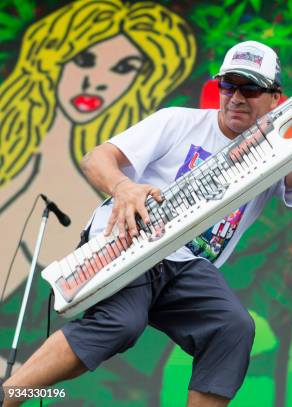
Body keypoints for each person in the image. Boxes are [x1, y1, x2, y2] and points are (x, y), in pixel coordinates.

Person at [2, 40, 292, 406]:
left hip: (186, 265)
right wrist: (123, 188)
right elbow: (96, 158)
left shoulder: (277, 150)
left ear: (276, 98)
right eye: (228, 85)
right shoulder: (178, 121)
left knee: (231, 327)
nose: (236, 97)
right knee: (121, 324)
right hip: (131, 238)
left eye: (250, 88)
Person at [0, 0, 196, 301]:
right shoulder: (17, 156)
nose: (97, 81)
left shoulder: (100, 196)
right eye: (85, 60)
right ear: (52, 59)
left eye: (122, 68)